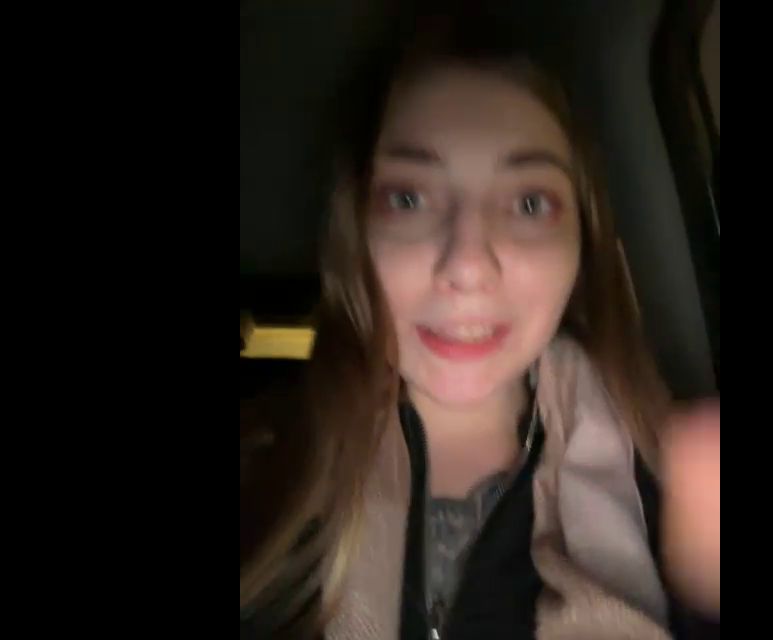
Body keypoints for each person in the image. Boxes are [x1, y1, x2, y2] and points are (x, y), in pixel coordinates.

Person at [241, 32, 720, 640]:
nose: (467, 265)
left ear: (583, 239)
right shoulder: (261, 461)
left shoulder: (683, 489)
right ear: (356, 231)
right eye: (408, 198)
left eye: (529, 204)